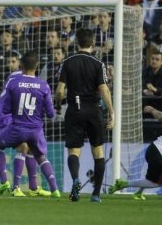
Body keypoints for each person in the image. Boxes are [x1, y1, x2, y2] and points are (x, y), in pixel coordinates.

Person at [55, 28, 115, 203]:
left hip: (74, 110)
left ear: (76, 43)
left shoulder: (67, 62)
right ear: (93, 43)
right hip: (94, 111)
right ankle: (96, 194)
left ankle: (75, 180)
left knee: (74, 150)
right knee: (98, 152)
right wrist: (111, 111)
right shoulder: (98, 63)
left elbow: (59, 90)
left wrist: (58, 105)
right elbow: (104, 89)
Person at [0, 50, 61, 199]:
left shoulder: (13, 82)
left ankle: (15, 186)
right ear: (37, 66)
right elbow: (50, 114)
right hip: (36, 130)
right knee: (40, 156)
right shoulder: (44, 85)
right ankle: (55, 189)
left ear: (21, 65)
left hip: (17, 127)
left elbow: (4, 108)